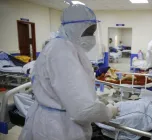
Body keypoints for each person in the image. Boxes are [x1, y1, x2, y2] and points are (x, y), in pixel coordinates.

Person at [19, 4, 118, 140]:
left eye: (93, 33)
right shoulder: (62, 52)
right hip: (59, 128)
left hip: (52, 121)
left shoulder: (60, 46)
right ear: (75, 29)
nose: (91, 37)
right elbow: (83, 109)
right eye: (88, 32)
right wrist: (108, 112)